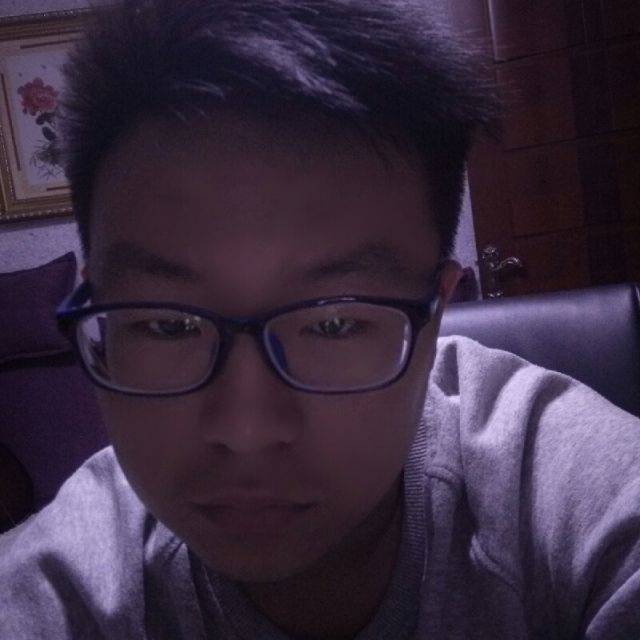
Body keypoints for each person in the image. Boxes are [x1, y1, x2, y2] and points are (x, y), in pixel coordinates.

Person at [1, 1, 639, 638]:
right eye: (169, 326)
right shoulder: (68, 586)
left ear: (435, 317)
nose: (246, 431)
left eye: (334, 323)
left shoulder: (561, 494)